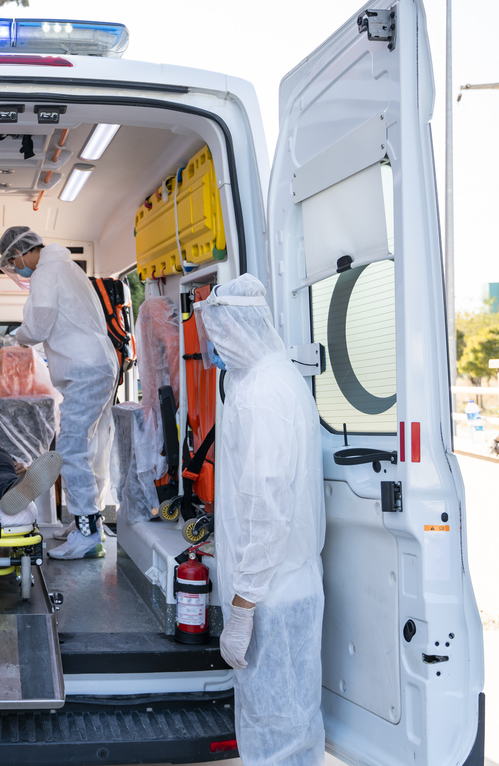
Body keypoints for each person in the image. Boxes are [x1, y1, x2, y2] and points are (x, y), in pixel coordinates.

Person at [195, 274, 326, 765]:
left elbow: (267, 508)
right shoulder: (275, 377)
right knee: (291, 719)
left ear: (233, 330)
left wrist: (244, 605)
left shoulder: (261, 394)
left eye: (216, 337)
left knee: (277, 725)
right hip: (286, 581)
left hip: (271, 592)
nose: (213, 349)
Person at [0, 227, 118, 559]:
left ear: (20, 252)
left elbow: (37, 327)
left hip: (84, 368)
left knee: (72, 448)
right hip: (98, 364)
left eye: (13, 261)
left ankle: (87, 532)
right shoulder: (68, 267)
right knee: (89, 446)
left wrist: (19, 336)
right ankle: (87, 521)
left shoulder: (45, 273)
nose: (17, 268)